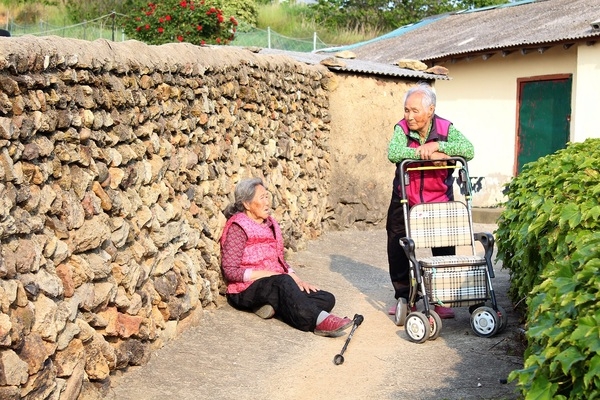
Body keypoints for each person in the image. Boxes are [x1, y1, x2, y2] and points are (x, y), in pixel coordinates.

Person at [220, 177, 354, 336]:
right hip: (245, 290)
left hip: (275, 282)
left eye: (267, 197)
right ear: (247, 204)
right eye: (262, 198)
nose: (267, 203)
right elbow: (230, 270)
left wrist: (296, 279)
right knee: (283, 283)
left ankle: (273, 307)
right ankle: (320, 322)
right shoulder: (238, 227)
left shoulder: (269, 224)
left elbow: (280, 260)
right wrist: (272, 275)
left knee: (326, 298)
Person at [386, 83, 474, 319]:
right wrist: (423, 153)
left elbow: (468, 149)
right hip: (406, 196)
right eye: (406, 110)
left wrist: (439, 145)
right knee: (398, 242)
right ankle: (404, 297)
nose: (409, 116)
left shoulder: (446, 128)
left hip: (438, 196)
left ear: (431, 110)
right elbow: (393, 152)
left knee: (444, 246)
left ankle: (441, 297)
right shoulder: (402, 129)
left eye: (415, 111)